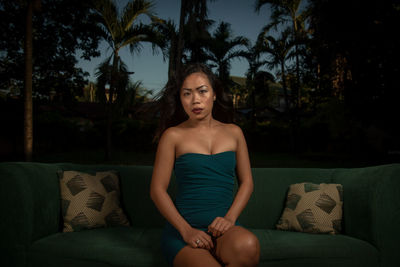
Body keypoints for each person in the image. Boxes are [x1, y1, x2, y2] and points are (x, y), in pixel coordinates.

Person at [150, 63, 260, 267]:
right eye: (187, 94)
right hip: (184, 231)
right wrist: (186, 230)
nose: (195, 100)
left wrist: (229, 218)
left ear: (215, 94)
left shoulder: (234, 132)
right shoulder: (173, 136)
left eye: (202, 91)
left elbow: (247, 183)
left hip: (225, 228)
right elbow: (157, 190)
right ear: (180, 99)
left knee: (248, 245)